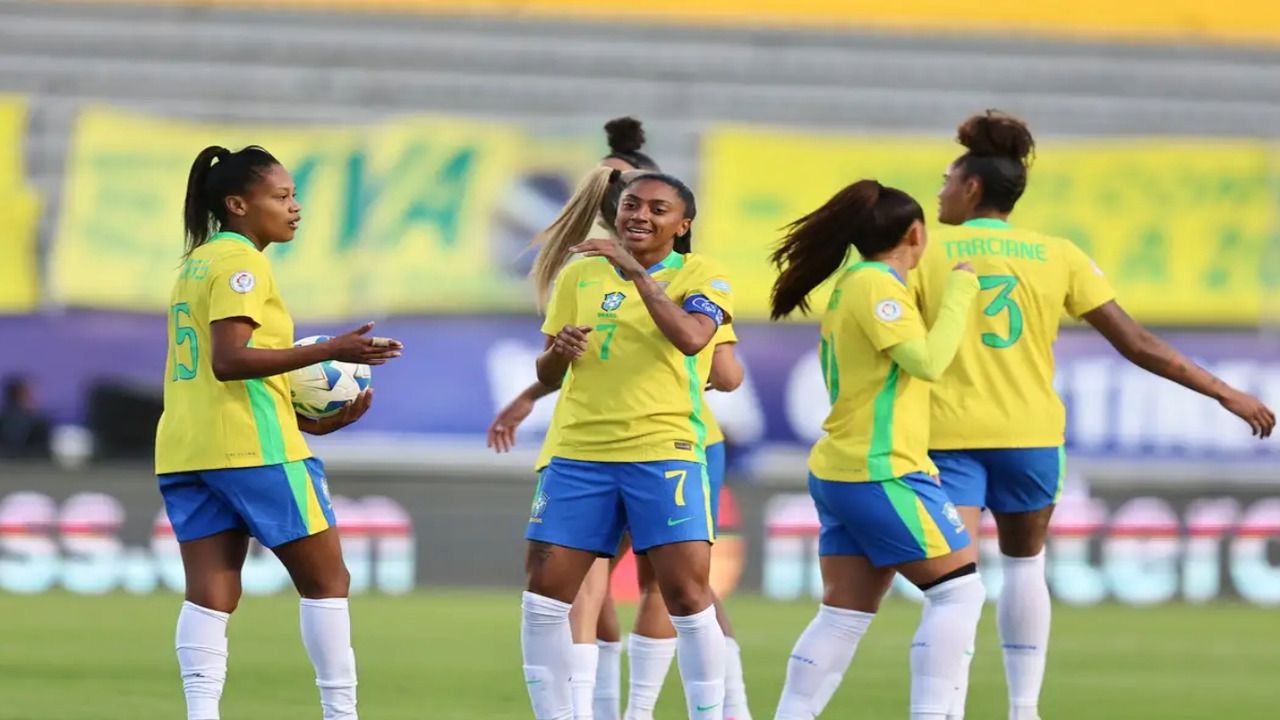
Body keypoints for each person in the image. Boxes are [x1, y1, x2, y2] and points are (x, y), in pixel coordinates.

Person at [914, 110, 1277, 720]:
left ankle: (941, 709)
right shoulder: (1058, 254)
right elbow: (1137, 343)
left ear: (972, 188)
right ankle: (1023, 710)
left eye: (948, 180)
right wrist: (1224, 392)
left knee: (954, 586)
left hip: (946, 435)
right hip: (1029, 437)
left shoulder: (923, 250)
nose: (941, 191)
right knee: (1026, 565)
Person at [490, 118, 753, 720]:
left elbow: (693, 341)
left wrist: (635, 272)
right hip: (580, 453)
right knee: (545, 596)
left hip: (665, 450)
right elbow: (553, 370)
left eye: (657, 208)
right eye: (631, 204)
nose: (639, 214)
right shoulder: (579, 273)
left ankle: (691, 711)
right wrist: (556, 357)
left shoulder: (702, 275)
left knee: (687, 593)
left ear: (682, 225)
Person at [155, 145, 403, 720]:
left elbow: (218, 380)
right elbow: (230, 360)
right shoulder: (243, 264)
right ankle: (341, 714)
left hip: (189, 449)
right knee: (328, 580)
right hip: (255, 450)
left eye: (294, 195)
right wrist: (335, 349)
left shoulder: (195, 263)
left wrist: (314, 421)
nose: (296, 207)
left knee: (212, 594)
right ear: (239, 204)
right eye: (282, 196)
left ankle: (201, 713)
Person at [768, 180, 985, 720]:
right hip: (879, 470)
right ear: (917, 233)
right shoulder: (875, 286)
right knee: (959, 593)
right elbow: (928, 361)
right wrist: (961, 292)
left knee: (844, 614)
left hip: (848, 469)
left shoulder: (859, 283)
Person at [0, 375, 51, 460]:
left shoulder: (40, 425)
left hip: (30, 466)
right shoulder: (2, 421)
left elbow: (43, 453)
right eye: (22, 393)